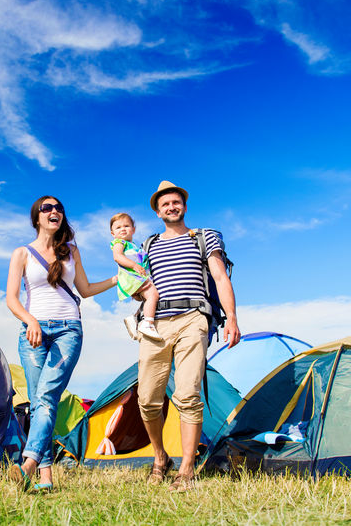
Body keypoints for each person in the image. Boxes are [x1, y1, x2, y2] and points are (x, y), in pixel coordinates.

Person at [6, 195, 117, 492]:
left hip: (69, 329)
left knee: (47, 395)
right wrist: (30, 321)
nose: (54, 212)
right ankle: (45, 478)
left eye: (59, 209)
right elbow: (11, 299)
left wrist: (119, 279)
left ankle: (28, 463)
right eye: (47, 208)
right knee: (38, 401)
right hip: (33, 331)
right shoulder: (21, 254)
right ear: (37, 218)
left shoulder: (72, 251)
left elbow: (85, 289)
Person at [137, 180, 241, 492]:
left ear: (185, 206)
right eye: (165, 204)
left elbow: (220, 277)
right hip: (155, 323)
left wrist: (232, 317)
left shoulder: (204, 237)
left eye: (176, 202)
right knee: (147, 400)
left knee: (187, 395)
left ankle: (186, 468)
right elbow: (138, 284)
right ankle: (160, 457)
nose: (171, 207)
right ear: (158, 211)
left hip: (194, 317)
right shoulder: (148, 244)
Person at [109, 212, 162, 341]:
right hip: (132, 277)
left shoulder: (135, 246)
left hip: (137, 277)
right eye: (118, 227)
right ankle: (147, 323)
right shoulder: (119, 243)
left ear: (133, 229)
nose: (123, 229)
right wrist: (134, 266)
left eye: (126, 226)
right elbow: (117, 257)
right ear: (112, 233)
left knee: (148, 298)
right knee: (153, 295)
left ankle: (135, 317)